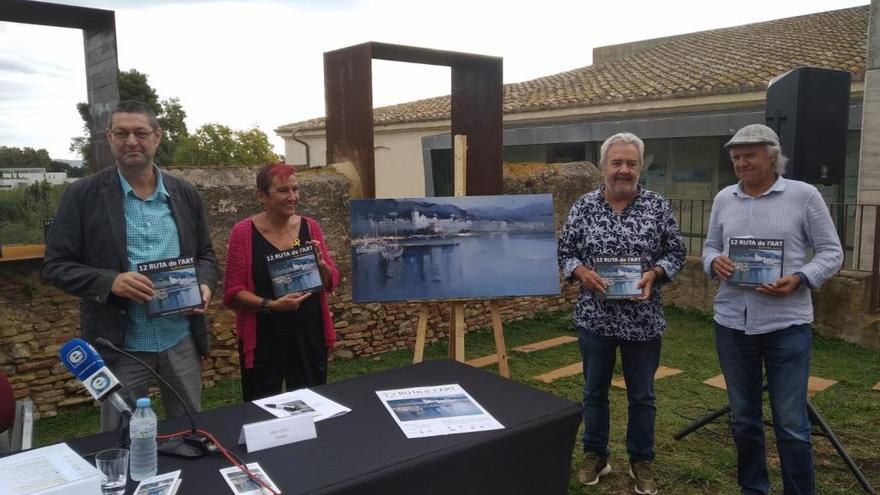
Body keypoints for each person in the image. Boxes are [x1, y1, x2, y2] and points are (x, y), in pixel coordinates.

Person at [42, 99, 218, 432]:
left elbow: (206, 255)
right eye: (121, 133)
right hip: (120, 346)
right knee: (120, 438)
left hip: (179, 338)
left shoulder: (185, 193)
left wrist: (205, 284)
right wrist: (110, 282)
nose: (131, 141)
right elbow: (54, 266)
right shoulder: (82, 195)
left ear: (157, 136)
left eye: (140, 132)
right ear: (109, 138)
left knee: (191, 431)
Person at [702, 124, 843, 495]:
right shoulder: (723, 199)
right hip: (732, 323)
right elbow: (709, 247)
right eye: (735, 157)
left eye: (749, 155)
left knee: (792, 423)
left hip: (787, 325)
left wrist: (799, 278)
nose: (741, 163)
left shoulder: (804, 196)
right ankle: (754, 488)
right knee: (744, 420)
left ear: (772, 156)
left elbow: (832, 252)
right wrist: (714, 261)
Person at [558, 132, 686, 495]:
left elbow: (675, 252)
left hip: (643, 321)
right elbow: (565, 250)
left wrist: (655, 273)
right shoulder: (583, 207)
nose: (624, 170)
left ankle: (641, 459)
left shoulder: (657, 207)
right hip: (594, 320)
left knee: (642, 395)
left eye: (631, 163)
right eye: (617, 163)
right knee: (594, 391)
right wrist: (580, 272)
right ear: (604, 167)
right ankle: (596, 454)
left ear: (640, 167)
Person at [223, 163, 339, 401]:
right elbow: (233, 292)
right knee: (262, 408)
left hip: (308, 334)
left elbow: (329, 282)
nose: (293, 197)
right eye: (284, 190)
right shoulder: (243, 233)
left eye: (296, 189)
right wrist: (272, 305)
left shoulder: (310, 226)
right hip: (264, 337)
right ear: (261, 195)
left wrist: (323, 268)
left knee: (313, 406)